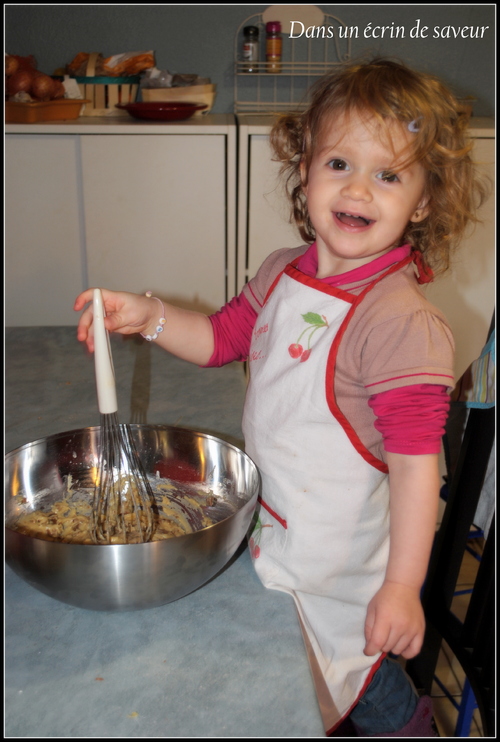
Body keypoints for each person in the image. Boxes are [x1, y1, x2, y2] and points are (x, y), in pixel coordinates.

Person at [75, 58, 487, 737]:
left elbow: (418, 468)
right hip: (278, 545)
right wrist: (141, 314)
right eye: (339, 164)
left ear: (423, 201)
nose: (359, 189)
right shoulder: (282, 273)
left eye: (388, 175)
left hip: (337, 577)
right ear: (305, 168)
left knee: (357, 675)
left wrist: (402, 588)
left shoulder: (399, 324)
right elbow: (215, 338)